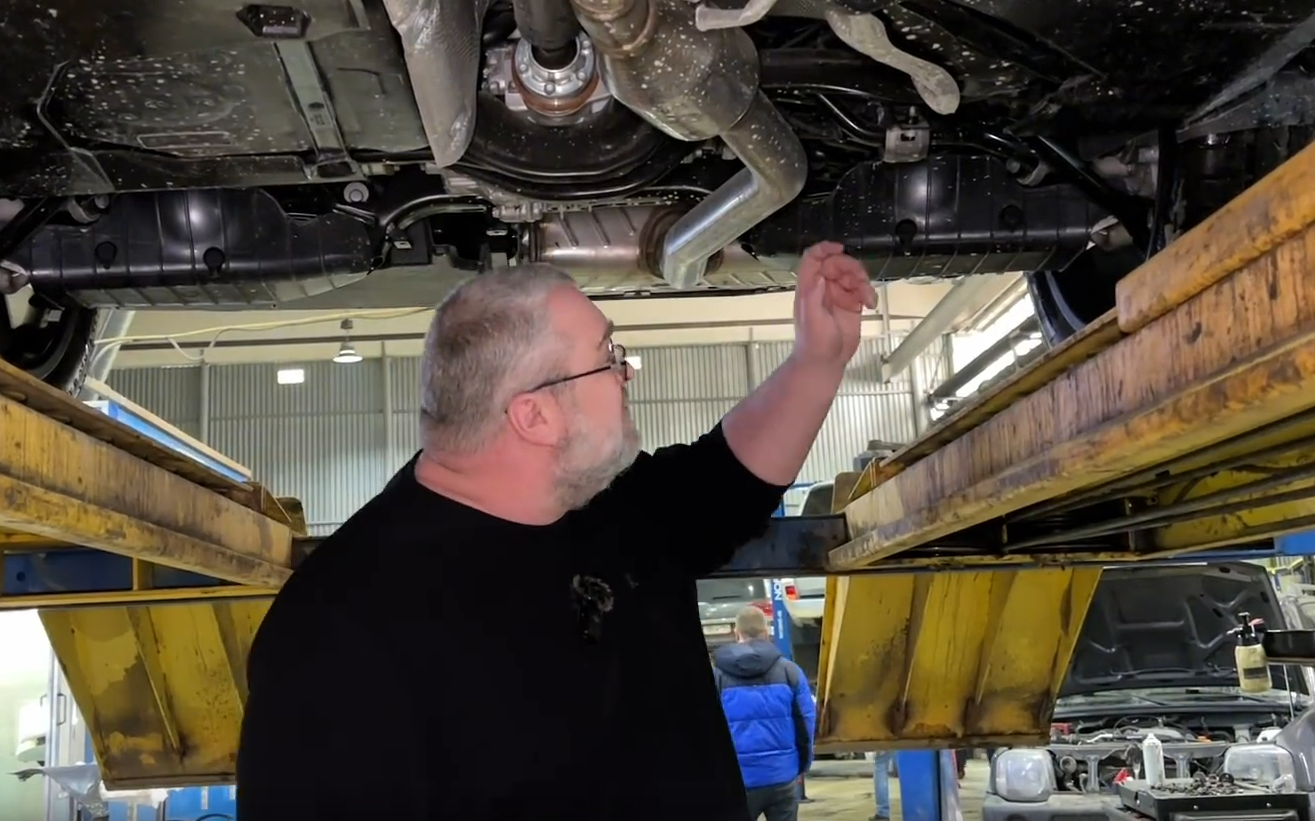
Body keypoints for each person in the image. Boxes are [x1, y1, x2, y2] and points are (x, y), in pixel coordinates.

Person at [234, 242, 876, 821]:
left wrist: (818, 360)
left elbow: (726, 480)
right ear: (535, 416)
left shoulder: (605, 507)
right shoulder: (335, 636)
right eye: (607, 358)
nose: (626, 372)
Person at [714, 606, 817, 821]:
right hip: (782, 776)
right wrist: (802, 764)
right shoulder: (790, 671)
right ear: (766, 633)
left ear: (737, 633)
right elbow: (806, 720)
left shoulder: (717, 676)